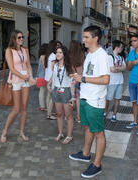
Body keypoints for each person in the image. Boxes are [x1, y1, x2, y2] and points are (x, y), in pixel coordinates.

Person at [69, 26, 110, 178]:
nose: (83, 40)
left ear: (95, 38)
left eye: (86, 37)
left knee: (99, 132)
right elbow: (88, 75)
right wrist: (78, 77)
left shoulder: (102, 55)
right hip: (86, 97)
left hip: (95, 100)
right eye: (84, 37)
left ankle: (97, 165)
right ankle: (86, 154)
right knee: (88, 128)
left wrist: (83, 79)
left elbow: (106, 79)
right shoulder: (89, 55)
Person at [0, 30, 36, 143]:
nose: (22, 39)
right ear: (14, 38)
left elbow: (28, 65)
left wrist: (31, 76)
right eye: (19, 37)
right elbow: (12, 69)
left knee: (24, 107)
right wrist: (26, 77)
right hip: (16, 80)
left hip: (26, 80)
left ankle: (21, 132)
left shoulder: (25, 50)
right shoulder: (9, 51)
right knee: (16, 109)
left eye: (23, 37)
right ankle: (5, 131)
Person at [47, 46, 75, 144]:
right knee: (59, 114)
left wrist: (73, 97)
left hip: (66, 91)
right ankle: (60, 133)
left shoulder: (69, 66)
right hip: (56, 90)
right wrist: (49, 83)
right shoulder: (54, 65)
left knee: (68, 115)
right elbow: (54, 76)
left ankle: (69, 136)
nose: (57, 54)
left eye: (60, 52)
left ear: (64, 54)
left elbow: (73, 82)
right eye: (57, 52)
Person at [104, 40, 126, 122]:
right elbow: (112, 70)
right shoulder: (110, 57)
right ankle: (105, 111)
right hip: (111, 82)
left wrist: (117, 68)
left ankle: (114, 115)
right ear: (116, 47)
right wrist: (119, 68)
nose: (122, 49)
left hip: (120, 81)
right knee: (108, 99)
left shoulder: (121, 57)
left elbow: (125, 68)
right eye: (121, 47)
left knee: (117, 99)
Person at [69, 40, 86, 123]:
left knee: (72, 98)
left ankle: (69, 116)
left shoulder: (69, 57)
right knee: (79, 98)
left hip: (74, 79)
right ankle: (79, 116)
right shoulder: (83, 55)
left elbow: (70, 71)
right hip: (82, 79)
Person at [44, 40, 58, 120]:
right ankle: (49, 114)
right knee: (52, 97)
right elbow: (53, 67)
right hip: (51, 78)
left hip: (47, 77)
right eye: (56, 46)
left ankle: (49, 112)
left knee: (48, 96)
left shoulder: (48, 55)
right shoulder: (53, 55)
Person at [37, 43, 48, 111]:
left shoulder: (42, 56)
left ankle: (42, 105)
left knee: (42, 91)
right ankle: (42, 106)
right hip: (43, 76)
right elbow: (44, 67)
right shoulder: (43, 56)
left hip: (41, 76)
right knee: (43, 91)